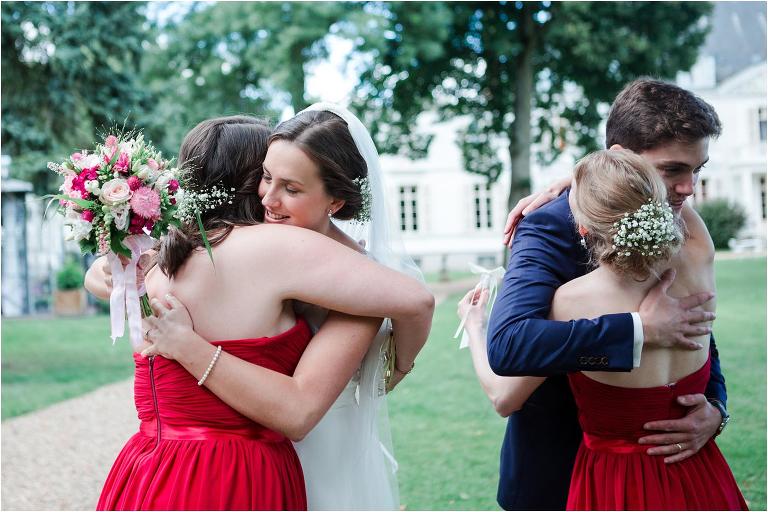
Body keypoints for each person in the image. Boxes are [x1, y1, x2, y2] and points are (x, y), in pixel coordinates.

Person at [91, 115, 434, 510]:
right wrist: (400, 366)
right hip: (241, 471)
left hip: (149, 468)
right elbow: (416, 301)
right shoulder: (277, 247)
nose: (270, 196)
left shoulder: (158, 256)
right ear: (251, 178)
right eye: (266, 177)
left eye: (289, 185)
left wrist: (112, 273)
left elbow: (100, 277)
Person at [482, 78, 729, 510]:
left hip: (672, 469)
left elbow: (693, 318)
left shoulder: (679, 222)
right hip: (563, 471)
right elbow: (510, 343)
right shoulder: (548, 225)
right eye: (672, 170)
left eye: (697, 170)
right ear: (620, 158)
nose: (689, 188)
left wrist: (715, 405)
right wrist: (636, 330)